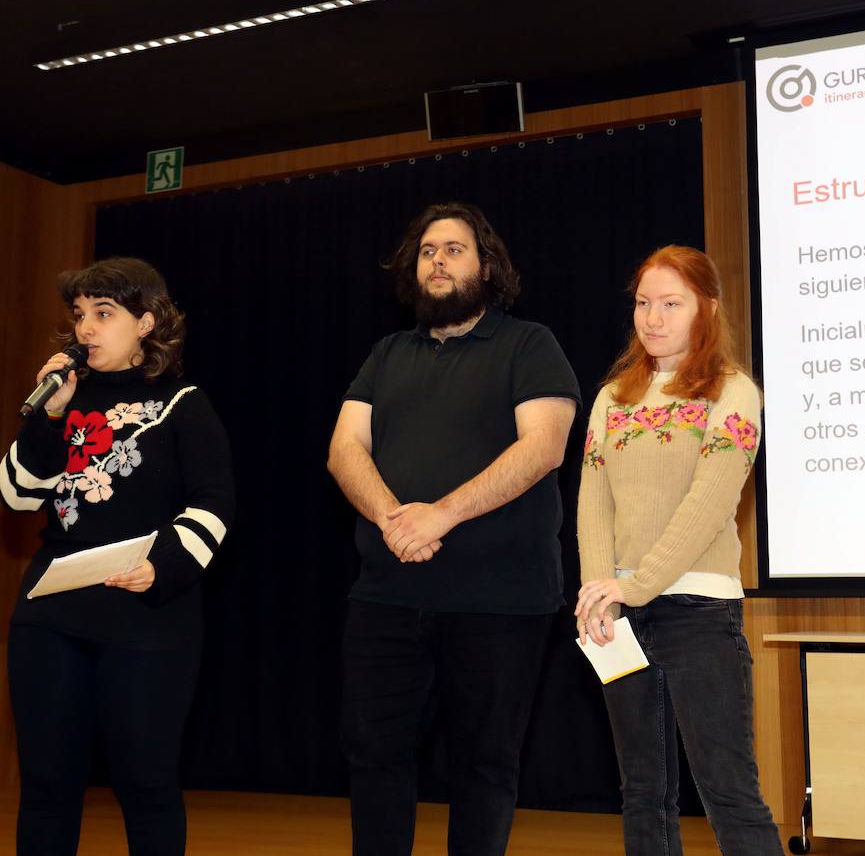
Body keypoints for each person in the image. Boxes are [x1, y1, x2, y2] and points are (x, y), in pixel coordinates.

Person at [327, 202, 580, 855]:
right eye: (427, 251)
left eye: (454, 249)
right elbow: (344, 449)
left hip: (501, 604)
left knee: (484, 767)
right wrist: (392, 519)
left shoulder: (529, 344)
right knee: (374, 759)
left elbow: (543, 448)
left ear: (486, 265)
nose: (438, 260)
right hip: (386, 598)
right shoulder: (386, 354)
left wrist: (441, 513)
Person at [0, 257, 235, 856]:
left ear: (146, 322)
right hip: (50, 617)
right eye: (79, 315)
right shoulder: (64, 401)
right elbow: (18, 496)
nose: (86, 329)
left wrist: (165, 564)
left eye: (104, 314)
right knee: (47, 787)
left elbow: (215, 502)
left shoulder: (183, 402)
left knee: (145, 784)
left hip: (147, 617)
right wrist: (49, 418)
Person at [574, 245, 783, 856]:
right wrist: (599, 595)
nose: (653, 317)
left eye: (671, 303)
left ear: (706, 310)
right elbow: (594, 503)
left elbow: (711, 501)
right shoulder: (613, 397)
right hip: (619, 614)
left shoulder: (734, 391)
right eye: (643, 303)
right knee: (643, 792)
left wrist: (634, 585)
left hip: (698, 611)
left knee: (728, 792)